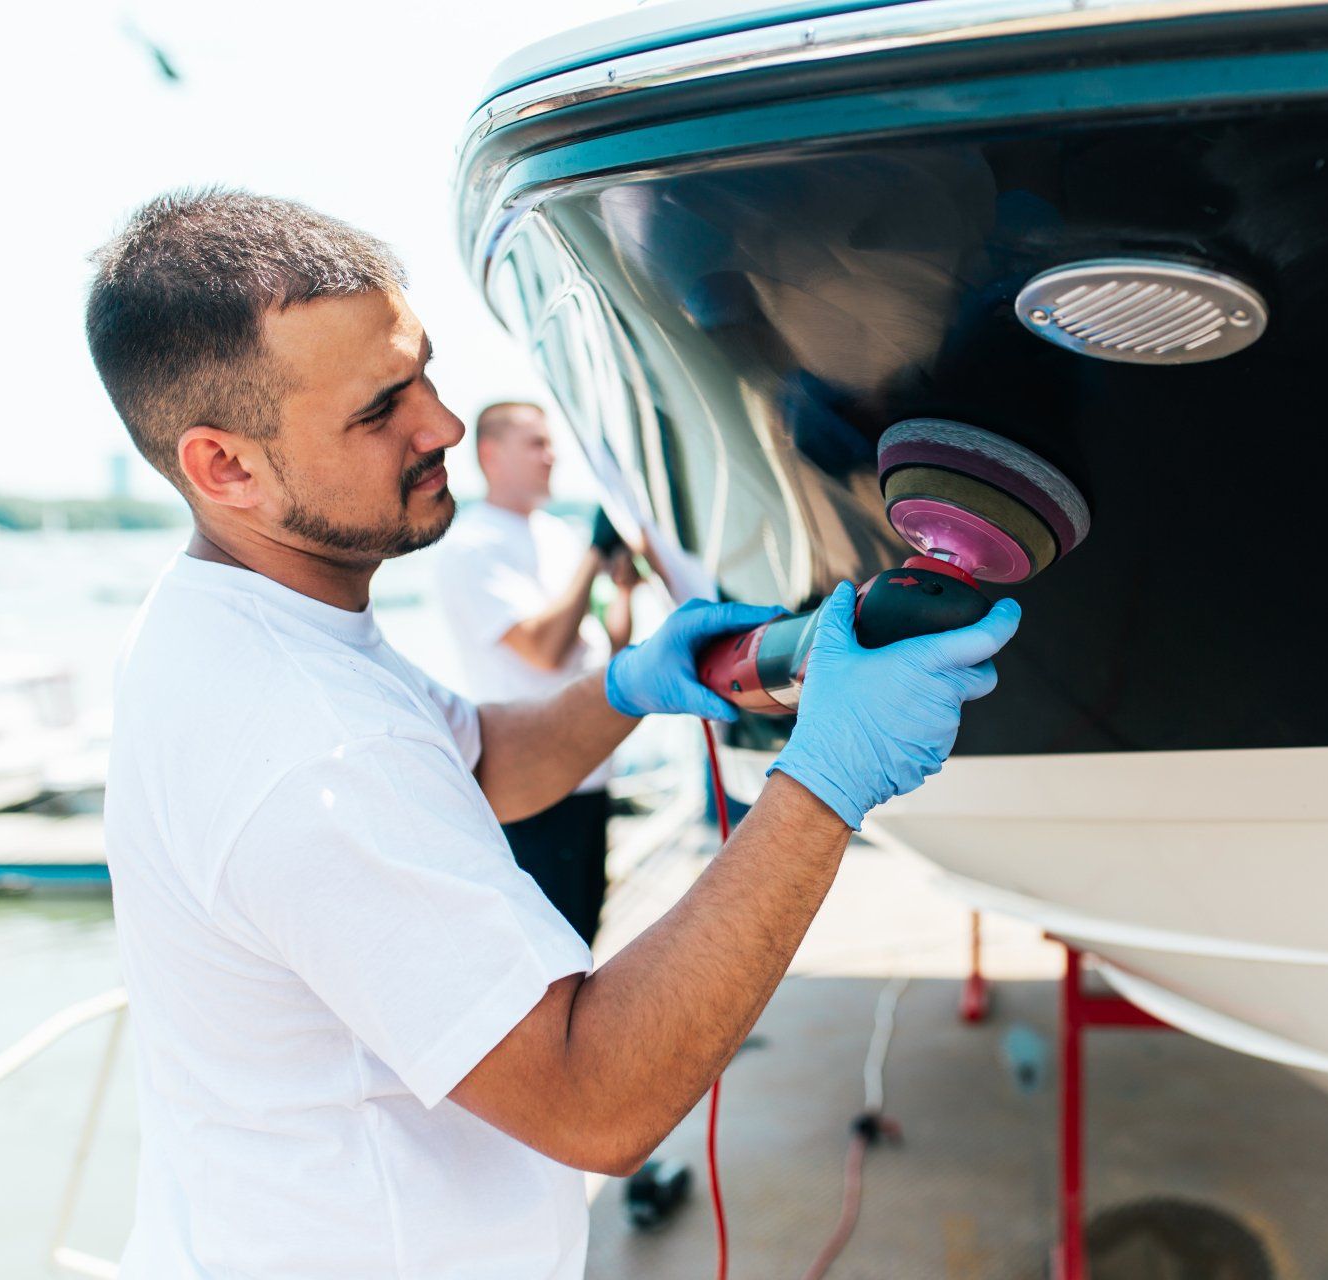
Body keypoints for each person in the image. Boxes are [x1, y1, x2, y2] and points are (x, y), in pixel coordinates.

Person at [86, 189, 1018, 1279]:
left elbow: (473, 762)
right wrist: (822, 786)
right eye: (381, 407)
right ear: (226, 466)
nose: (440, 423)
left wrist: (632, 683)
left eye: (424, 366)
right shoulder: (307, 748)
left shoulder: (235, 618)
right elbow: (596, 1099)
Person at [434, 402, 635, 947]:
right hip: (536, 782)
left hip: (591, 769)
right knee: (553, 951)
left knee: (584, 935)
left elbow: (607, 649)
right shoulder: (473, 545)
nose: (552, 456)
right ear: (489, 455)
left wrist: (620, 585)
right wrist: (595, 555)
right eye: (536, 443)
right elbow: (544, 651)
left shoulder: (557, 534)